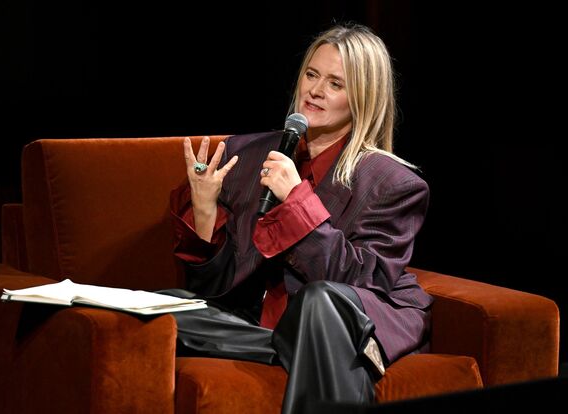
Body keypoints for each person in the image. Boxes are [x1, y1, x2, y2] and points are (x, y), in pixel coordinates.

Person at [166, 23, 433, 413]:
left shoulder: (391, 183)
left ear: (363, 98)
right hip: (259, 324)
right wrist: (205, 209)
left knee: (318, 301)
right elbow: (214, 288)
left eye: (335, 84)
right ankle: (288, 344)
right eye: (311, 75)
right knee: (159, 310)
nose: (315, 90)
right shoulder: (247, 155)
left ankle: (296, 340)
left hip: (344, 315)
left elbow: (358, 281)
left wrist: (296, 201)